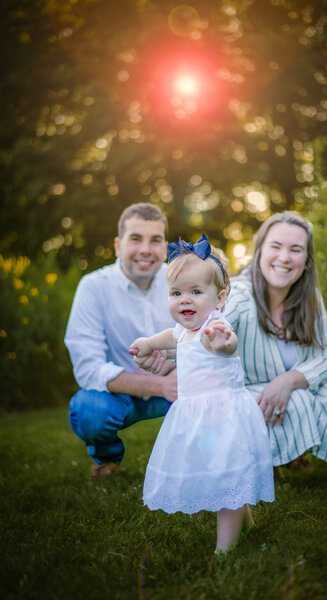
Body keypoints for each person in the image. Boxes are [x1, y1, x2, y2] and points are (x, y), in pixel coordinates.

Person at [130, 235, 274, 552]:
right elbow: (169, 335)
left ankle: (225, 550)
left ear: (220, 298)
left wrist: (225, 343)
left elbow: (226, 343)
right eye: (177, 293)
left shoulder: (214, 327)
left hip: (225, 418)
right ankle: (248, 525)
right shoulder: (184, 330)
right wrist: (148, 343)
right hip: (199, 418)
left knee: (225, 477)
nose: (185, 300)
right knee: (224, 474)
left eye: (196, 292)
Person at [224, 211, 327, 469]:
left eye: (296, 250)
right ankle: (264, 462)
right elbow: (202, 332)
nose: (285, 258)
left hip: (284, 389)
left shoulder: (311, 299)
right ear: (260, 250)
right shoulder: (237, 294)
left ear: (307, 259)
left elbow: (325, 358)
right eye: (276, 246)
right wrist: (165, 351)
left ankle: (291, 453)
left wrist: (286, 381)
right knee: (299, 401)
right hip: (241, 393)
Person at [65, 203, 177, 477]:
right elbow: (89, 368)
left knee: (226, 385)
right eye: (135, 239)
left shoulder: (182, 280)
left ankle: (208, 458)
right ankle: (107, 457)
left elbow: (207, 337)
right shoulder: (93, 287)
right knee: (89, 410)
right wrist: (158, 384)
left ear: (164, 248)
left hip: (180, 383)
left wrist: (179, 369)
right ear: (118, 245)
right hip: (121, 393)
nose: (145, 250)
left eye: (155, 240)